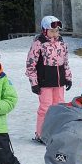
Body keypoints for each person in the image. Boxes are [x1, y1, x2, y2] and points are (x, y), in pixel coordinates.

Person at [26, 15, 72, 143]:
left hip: (59, 81)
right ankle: (41, 134)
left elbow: (66, 61)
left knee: (60, 106)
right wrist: (34, 83)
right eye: (52, 31)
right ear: (45, 30)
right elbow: (31, 64)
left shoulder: (61, 42)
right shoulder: (39, 42)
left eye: (57, 31)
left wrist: (68, 77)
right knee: (45, 108)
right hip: (45, 82)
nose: (55, 33)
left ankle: (57, 132)